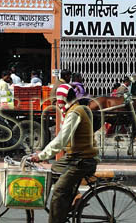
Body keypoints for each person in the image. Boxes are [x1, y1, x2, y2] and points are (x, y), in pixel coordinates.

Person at [29, 84, 97, 223]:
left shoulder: (75, 113)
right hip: (75, 157)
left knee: (58, 192)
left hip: (82, 160)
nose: (56, 104)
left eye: (56, 101)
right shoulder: (76, 109)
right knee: (54, 170)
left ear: (61, 99)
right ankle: (74, 197)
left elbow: (61, 140)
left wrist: (41, 156)